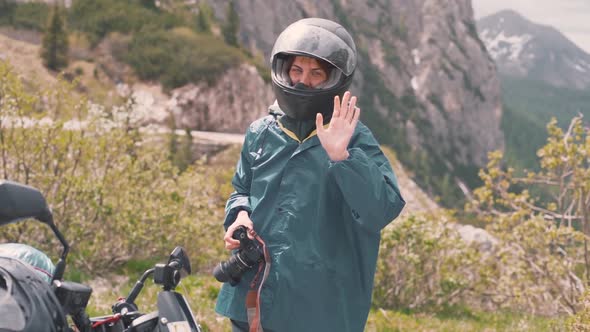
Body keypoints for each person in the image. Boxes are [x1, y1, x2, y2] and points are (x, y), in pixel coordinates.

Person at [215, 17, 405, 332]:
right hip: (254, 296)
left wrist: (342, 156)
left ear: (334, 78)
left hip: (319, 311)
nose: (304, 82)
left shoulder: (355, 138)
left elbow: (380, 211)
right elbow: (241, 190)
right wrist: (239, 214)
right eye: (296, 70)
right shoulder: (260, 133)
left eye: (317, 73)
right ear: (283, 71)